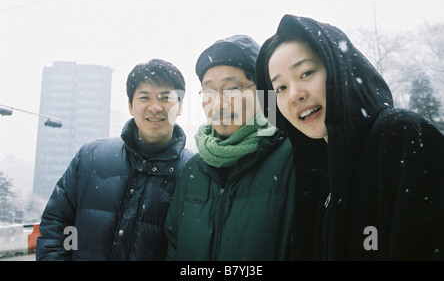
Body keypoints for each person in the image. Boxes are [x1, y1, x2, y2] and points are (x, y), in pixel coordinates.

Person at [255, 14, 444, 260]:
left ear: (338, 70)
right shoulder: (311, 173)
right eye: (280, 88)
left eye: (306, 73)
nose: (294, 95)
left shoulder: (401, 137)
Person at [36, 59, 194, 260]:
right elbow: (56, 225)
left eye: (165, 98)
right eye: (145, 97)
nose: (155, 107)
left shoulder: (194, 172)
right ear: (130, 105)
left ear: (179, 106)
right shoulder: (90, 157)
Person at [165, 35, 296, 260]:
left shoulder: (293, 160)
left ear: (263, 91)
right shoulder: (192, 171)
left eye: (232, 89)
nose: (219, 103)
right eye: (209, 92)